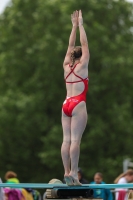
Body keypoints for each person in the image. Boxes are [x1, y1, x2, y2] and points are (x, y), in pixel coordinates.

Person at [61, 10, 90, 186]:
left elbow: (71, 45)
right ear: (82, 56)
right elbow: (84, 44)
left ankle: (65, 171)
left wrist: (72, 27)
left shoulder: (66, 65)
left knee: (66, 140)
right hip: (78, 103)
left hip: (66, 103)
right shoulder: (82, 65)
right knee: (75, 140)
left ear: (72, 55)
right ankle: (73, 172)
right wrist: (80, 25)